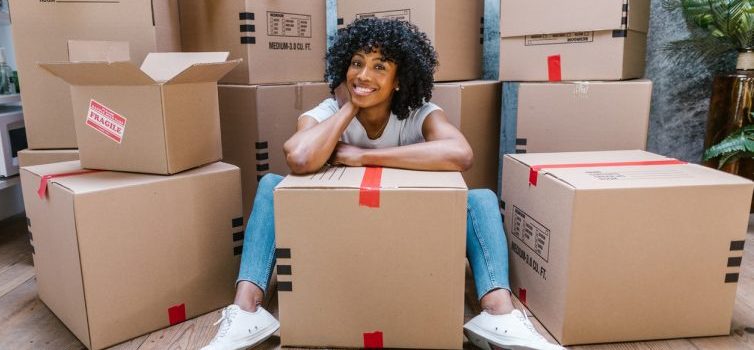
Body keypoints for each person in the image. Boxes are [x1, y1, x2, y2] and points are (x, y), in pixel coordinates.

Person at [201, 17, 563, 350]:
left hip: (401, 235)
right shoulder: (327, 112)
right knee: (270, 186)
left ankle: (498, 315)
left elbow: (461, 153)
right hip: (340, 236)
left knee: (481, 197)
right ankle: (247, 312)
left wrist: (362, 156)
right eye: (356, 63)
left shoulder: (418, 113)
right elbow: (298, 158)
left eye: (379, 66)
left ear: (399, 79)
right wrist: (348, 108)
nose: (364, 74)